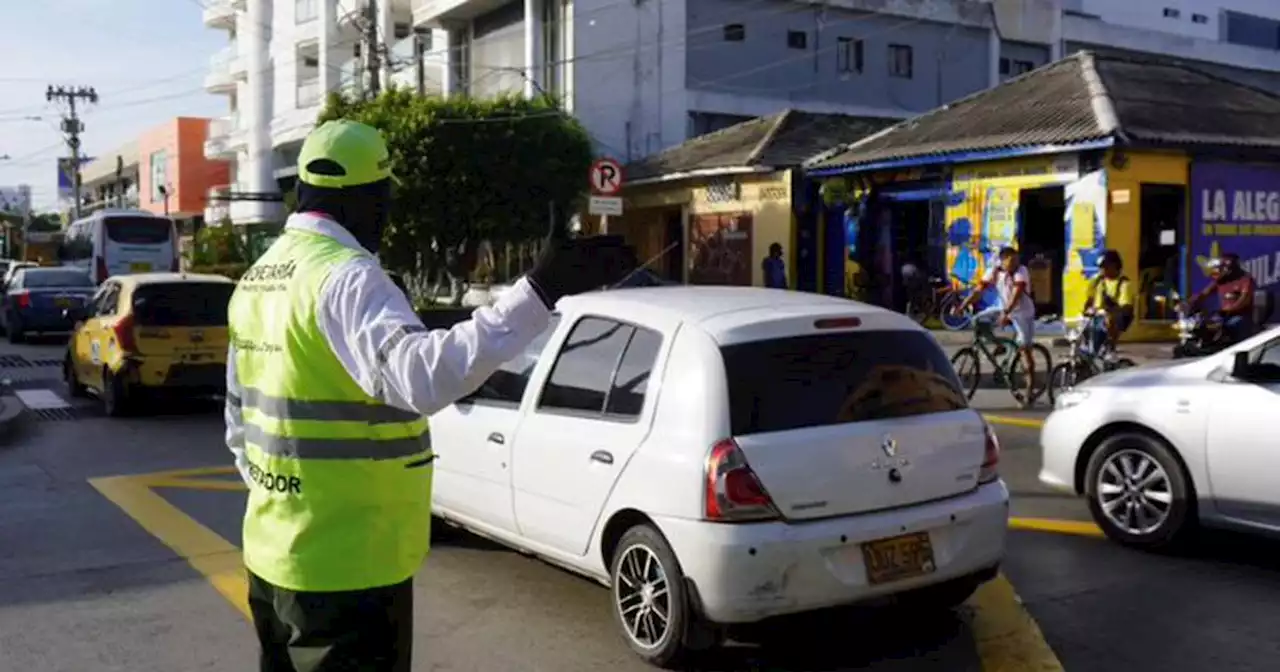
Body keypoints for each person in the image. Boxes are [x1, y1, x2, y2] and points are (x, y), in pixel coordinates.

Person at [225, 119, 632, 672]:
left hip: (275, 554)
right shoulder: (346, 278)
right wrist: (539, 289)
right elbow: (424, 378)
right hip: (349, 568)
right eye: (385, 198)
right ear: (369, 198)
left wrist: (288, 497)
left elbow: (238, 423)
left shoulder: (260, 278)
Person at [953, 246, 1037, 406]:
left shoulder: (1021, 270)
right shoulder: (995, 271)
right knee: (978, 320)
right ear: (1002, 261)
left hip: (1023, 313)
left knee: (1025, 349)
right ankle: (999, 345)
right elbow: (979, 290)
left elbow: (1017, 295)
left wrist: (1007, 313)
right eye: (1010, 261)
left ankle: (1029, 390)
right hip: (1003, 307)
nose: (1014, 263)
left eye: (1016, 260)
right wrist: (963, 305)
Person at [1187, 252, 1256, 344]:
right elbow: (1205, 293)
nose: (1224, 270)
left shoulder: (1245, 279)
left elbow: (1244, 299)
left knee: (1232, 326)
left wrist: (1230, 309)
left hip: (1239, 315)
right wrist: (1192, 302)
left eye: (1227, 267)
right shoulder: (1221, 280)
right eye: (1222, 267)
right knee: (1205, 326)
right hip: (1223, 315)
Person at [1081, 249, 1134, 356]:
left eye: (1104, 266)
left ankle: (1110, 347)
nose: (1101, 269)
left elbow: (1125, 307)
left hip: (1118, 318)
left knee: (1109, 321)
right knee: (1085, 329)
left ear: (1114, 266)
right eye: (1100, 266)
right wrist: (1089, 310)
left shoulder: (1124, 284)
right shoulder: (1099, 282)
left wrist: (1106, 312)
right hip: (1101, 317)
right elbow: (1092, 302)